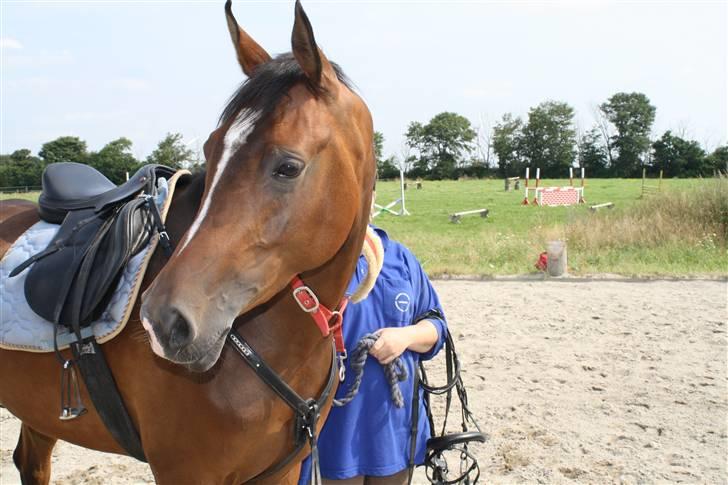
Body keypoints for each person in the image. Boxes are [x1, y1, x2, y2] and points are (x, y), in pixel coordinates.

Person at [298, 224, 448, 485]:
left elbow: (435, 325)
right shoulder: (315, 261)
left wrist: (405, 337)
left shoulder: (401, 259)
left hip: (395, 432)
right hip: (335, 434)